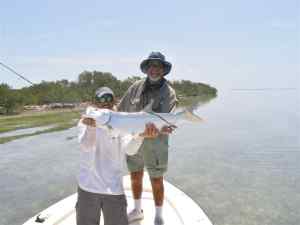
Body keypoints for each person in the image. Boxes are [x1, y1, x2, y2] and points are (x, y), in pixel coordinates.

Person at [76, 87, 157, 225]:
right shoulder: (85, 120)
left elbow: (130, 150)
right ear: (94, 103)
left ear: (115, 101)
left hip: (114, 188)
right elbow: (86, 146)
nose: (105, 102)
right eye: (101, 99)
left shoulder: (121, 122)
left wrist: (141, 136)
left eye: (109, 99)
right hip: (88, 187)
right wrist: (91, 127)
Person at [117, 52, 177, 225]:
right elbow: (121, 110)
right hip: (134, 140)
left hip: (156, 143)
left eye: (158, 66)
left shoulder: (169, 92)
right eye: (151, 65)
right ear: (146, 68)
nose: (154, 69)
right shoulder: (135, 87)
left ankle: (158, 216)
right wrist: (104, 114)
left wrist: (164, 128)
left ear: (163, 70)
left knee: (156, 179)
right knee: (135, 176)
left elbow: (167, 123)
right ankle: (137, 210)